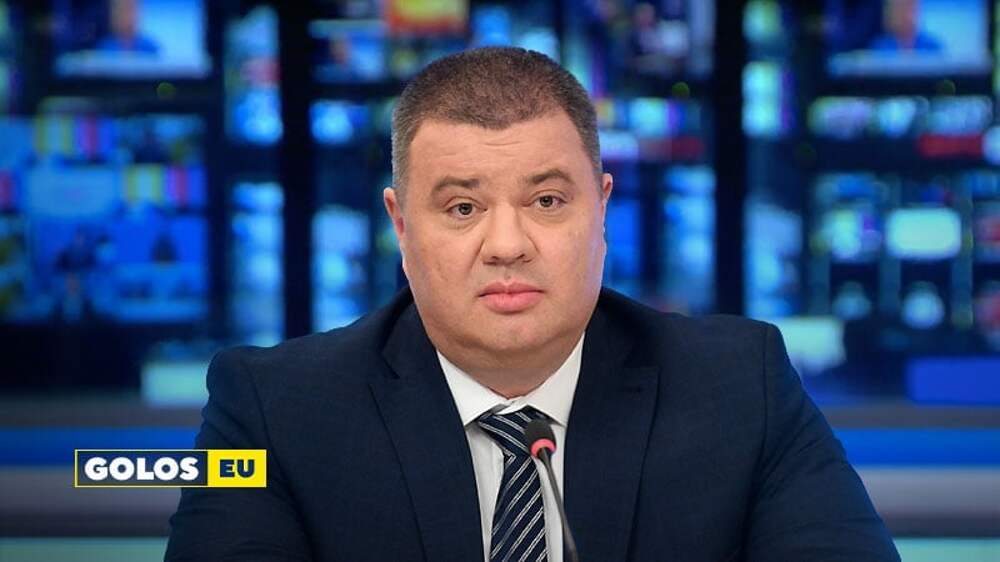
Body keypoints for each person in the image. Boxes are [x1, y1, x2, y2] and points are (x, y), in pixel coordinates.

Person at [166, 47, 900, 561]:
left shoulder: (742, 387)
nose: (507, 245)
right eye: (462, 209)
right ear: (401, 226)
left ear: (601, 210)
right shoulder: (272, 412)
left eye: (547, 201)